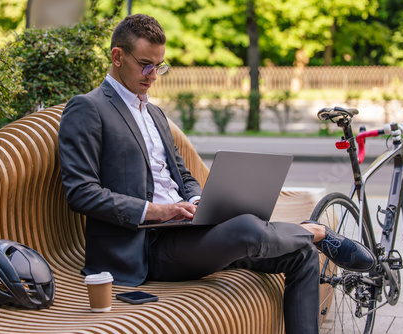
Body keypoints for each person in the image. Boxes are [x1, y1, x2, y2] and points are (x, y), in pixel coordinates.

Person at [58, 14, 375, 334]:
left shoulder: (153, 112)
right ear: (117, 56)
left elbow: (181, 174)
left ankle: (307, 239)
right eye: (145, 65)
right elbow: (81, 191)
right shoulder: (88, 108)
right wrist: (157, 210)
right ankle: (317, 231)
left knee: (301, 255)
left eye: (160, 66)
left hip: (186, 231)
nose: (153, 75)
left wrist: (200, 200)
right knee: (250, 230)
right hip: (145, 246)